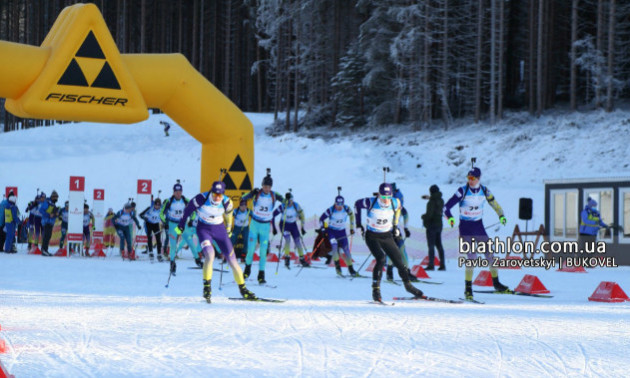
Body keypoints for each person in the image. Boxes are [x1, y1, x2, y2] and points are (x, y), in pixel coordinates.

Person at [176, 181, 257, 303]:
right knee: (210, 255)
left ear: (223, 194)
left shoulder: (227, 202)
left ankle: (243, 289)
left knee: (232, 260)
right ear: (211, 192)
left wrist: (229, 229)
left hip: (219, 230)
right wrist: (181, 225)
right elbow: (187, 210)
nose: (216, 198)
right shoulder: (201, 198)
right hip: (204, 229)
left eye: (219, 195)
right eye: (214, 194)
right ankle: (207, 287)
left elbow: (229, 215)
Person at [443, 167, 509, 300]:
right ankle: (468, 288)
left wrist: (501, 215)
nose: (470, 180)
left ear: (478, 178)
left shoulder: (484, 190)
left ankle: (496, 283)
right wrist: (449, 217)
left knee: (490, 255)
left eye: (472, 178)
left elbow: (494, 204)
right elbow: (446, 207)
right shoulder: (462, 190)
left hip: (478, 227)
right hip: (465, 228)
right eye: (468, 178)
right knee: (472, 257)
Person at [355, 183, 424, 302]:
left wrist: (395, 225)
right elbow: (357, 205)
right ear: (379, 195)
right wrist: (358, 224)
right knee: (381, 258)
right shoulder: (371, 202)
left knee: (399, 260)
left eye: (388, 197)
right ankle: (376, 290)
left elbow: (399, 209)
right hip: (372, 236)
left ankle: (408, 286)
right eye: (383, 197)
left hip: (386, 235)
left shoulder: (395, 202)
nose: (386, 200)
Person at [241, 173, 285, 284]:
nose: (267, 188)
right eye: (265, 186)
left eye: (269, 187)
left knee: (263, 251)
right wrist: (251, 193)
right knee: (250, 249)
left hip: (265, 226)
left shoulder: (274, 195)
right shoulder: (257, 193)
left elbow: (285, 201)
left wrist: (287, 198)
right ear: (262, 185)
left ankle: (261, 274)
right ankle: (247, 270)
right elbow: (243, 198)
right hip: (255, 225)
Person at [319, 195, 357, 276]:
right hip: (332, 231)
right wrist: (323, 230)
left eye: (341, 205)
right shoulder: (330, 209)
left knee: (346, 250)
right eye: (338, 205)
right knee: (335, 247)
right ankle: (338, 268)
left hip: (342, 231)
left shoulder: (347, 208)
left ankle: (351, 269)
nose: (339, 207)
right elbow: (321, 219)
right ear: (335, 203)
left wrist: (351, 228)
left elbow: (352, 216)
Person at [273, 192, 309, 269]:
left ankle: (302, 259)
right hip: (284, 225)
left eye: (292, 200)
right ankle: (287, 259)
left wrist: (302, 227)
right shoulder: (283, 206)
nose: (290, 202)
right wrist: (274, 228)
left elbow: (302, 215)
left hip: (293, 225)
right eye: (289, 201)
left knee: (297, 240)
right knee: (288, 239)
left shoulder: (296, 205)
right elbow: (273, 214)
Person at [160, 182, 189, 275]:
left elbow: (193, 211)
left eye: (179, 191)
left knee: (183, 240)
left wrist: (192, 219)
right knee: (172, 244)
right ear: (173, 192)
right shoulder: (169, 201)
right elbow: (161, 214)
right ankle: (172, 263)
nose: (178, 193)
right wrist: (165, 222)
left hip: (181, 224)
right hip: (172, 224)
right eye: (176, 191)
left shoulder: (185, 200)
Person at [422, 185, 446, 271]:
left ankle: (431, 265)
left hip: (431, 225)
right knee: (439, 245)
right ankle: (442, 265)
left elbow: (429, 215)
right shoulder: (441, 200)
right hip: (439, 224)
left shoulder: (431, 202)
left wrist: (423, 217)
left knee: (431, 245)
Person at [39, 190, 60, 256]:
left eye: (57, 198)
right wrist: (49, 215)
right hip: (46, 221)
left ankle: (45, 250)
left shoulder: (53, 204)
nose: (56, 199)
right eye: (55, 197)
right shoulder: (47, 202)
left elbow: (53, 213)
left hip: (50, 222)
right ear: (52, 197)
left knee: (48, 236)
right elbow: (41, 210)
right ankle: (44, 250)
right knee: (47, 236)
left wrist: (56, 214)